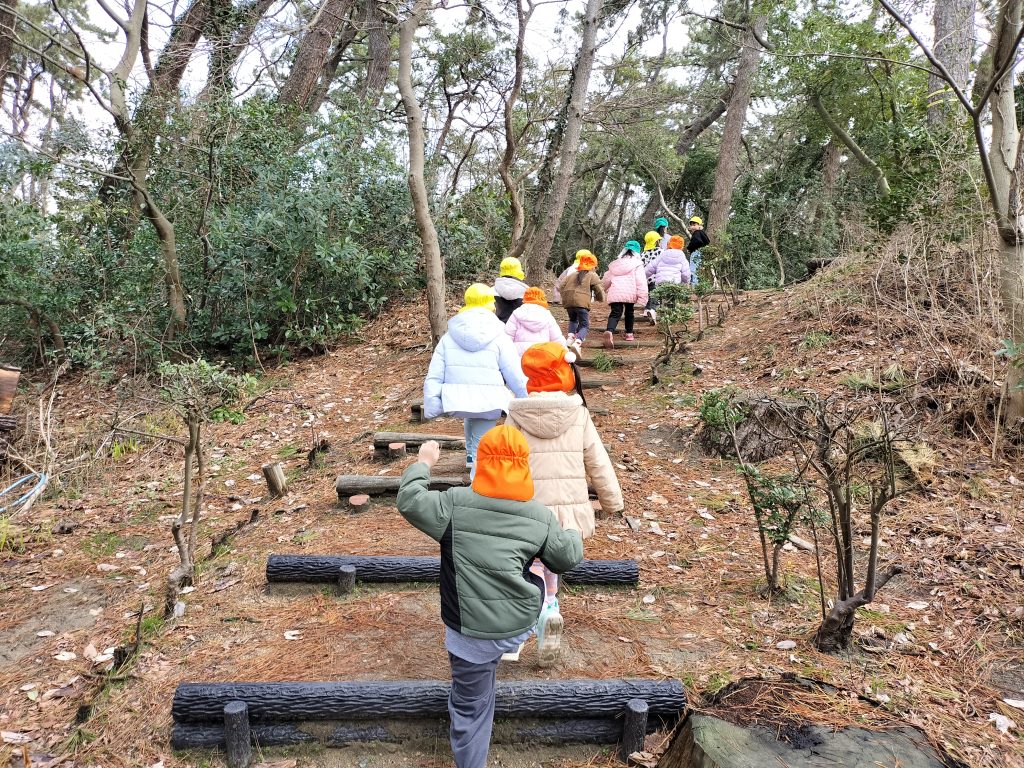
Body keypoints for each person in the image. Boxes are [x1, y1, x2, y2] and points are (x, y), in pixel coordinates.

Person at [397, 427, 583, 768]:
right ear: (524, 466)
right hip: (518, 623)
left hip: (469, 634)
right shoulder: (539, 516)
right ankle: (512, 642)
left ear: (480, 463)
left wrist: (424, 462)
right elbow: (568, 556)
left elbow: (409, 499)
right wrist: (570, 529)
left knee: (470, 705)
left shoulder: (453, 504)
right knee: (535, 574)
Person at [506, 342, 623, 666]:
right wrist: (612, 501)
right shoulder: (578, 413)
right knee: (552, 560)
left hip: (527, 509)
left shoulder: (517, 414)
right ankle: (550, 607)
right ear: (563, 373)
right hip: (568, 511)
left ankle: (522, 627)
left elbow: (504, 460)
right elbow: (597, 460)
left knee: (529, 563)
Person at [423, 283, 527, 478]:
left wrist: (432, 402)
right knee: (483, 441)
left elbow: (435, 373)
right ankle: (477, 483)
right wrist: (526, 397)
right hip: (489, 399)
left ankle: (471, 456)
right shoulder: (499, 335)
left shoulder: (449, 336)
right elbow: (513, 371)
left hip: (457, 399)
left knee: (471, 415)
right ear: (490, 304)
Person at [555, 250, 605, 355]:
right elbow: (599, 289)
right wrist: (601, 299)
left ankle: (570, 339)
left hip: (569, 303)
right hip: (582, 304)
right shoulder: (592, 275)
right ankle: (577, 342)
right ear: (593, 266)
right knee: (584, 325)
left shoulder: (571, 275)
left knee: (573, 320)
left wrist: (566, 296)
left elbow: (560, 287)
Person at [601, 241, 648, 348]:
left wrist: (603, 289)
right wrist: (643, 297)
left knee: (615, 313)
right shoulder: (637, 264)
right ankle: (629, 334)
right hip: (630, 291)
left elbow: (607, 279)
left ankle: (609, 331)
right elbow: (641, 281)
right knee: (629, 312)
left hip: (615, 291)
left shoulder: (616, 264)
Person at [505, 287, 566, 355]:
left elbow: (507, 337)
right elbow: (557, 338)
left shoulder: (517, 313)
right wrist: (565, 353)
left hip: (519, 355)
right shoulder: (547, 315)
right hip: (542, 354)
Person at [645, 234, 691, 323]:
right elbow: (686, 274)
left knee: (660, 299)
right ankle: (669, 319)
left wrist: (643, 276)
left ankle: (654, 311)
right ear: (682, 247)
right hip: (674, 284)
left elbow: (650, 267)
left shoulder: (663, 255)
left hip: (661, 283)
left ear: (669, 244)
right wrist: (686, 283)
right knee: (671, 301)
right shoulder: (682, 257)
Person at [493, 257, 529, 323]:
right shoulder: (528, 293)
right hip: (519, 328)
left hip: (496, 328)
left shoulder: (490, 291)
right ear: (519, 271)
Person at [640, 230, 663, 323]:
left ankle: (646, 310)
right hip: (657, 278)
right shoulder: (660, 252)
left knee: (650, 295)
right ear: (657, 241)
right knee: (655, 296)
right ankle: (652, 310)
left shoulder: (643, 254)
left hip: (646, 279)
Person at [684, 216, 710, 286]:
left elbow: (697, 241)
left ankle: (694, 284)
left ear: (699, 226)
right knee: (698, 269)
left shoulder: (697, 233)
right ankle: (698, 284)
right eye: (691, 225)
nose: (692, 227)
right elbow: (707, 241)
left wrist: (689, 248)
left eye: (694, 225)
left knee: (693, 268)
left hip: (696, 252)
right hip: (701, 253)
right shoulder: (702, 233)